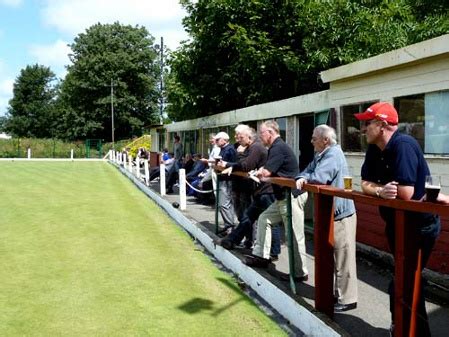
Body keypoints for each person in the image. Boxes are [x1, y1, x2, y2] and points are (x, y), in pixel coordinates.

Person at [355, 102, 441, 335]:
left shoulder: (403, 145)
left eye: (367, 123)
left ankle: (407, 330)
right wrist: (380, 191)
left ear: (382, 125)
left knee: (404, 282)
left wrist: (379, 188)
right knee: (404, 280)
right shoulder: (375, 147)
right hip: (397, 224)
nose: (362, 128)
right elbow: (363, 184)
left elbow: (405, 193)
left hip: (419, 226)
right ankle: (405, 329)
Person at [295, 124, 357, 312]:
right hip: (333, 213)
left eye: (314, 138)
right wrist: (303, 177)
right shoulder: (321, 154)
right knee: (335, 255)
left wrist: (306, 178)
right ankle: (338, 294)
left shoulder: (333, 154)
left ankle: (347, 299)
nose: (311, 141)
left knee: (343, 256)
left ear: (325, 140)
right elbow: (306, 171)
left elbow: (320, 177)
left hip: (341, 213)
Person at [244, 120, 308, 283]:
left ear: (271, 133)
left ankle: (299, 272)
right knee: (264, 218)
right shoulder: (274, 147)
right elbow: (268, 171)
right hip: (282, 196)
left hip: (291, 196)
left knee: (294, 234)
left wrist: (259, 173)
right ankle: (262, 256)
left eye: (262, 133)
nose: (260, 136)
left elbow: (266, 172)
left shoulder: (278, 147)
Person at [216, 126, 281, 257]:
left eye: (241, 137)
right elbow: (244, 164)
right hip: (260, 190)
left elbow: (246, 165)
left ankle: (273, 251)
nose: (238, 139)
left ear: (249, 137)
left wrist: (229, 165)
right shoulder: (253, 147)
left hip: (266, 190)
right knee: (248, 218)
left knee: (268, 221)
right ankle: (232, 240)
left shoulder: (256, 147)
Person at [215, 131, 237, 231]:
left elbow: (235, 164)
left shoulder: (230, 149)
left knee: (224, 204)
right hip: (223, 178)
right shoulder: (224, 149)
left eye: (217, 140)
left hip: (228, 180)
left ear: (224, 140)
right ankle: (228, 226)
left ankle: (230, 226)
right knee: (225, 204)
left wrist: (224, 164)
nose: (216, 142)